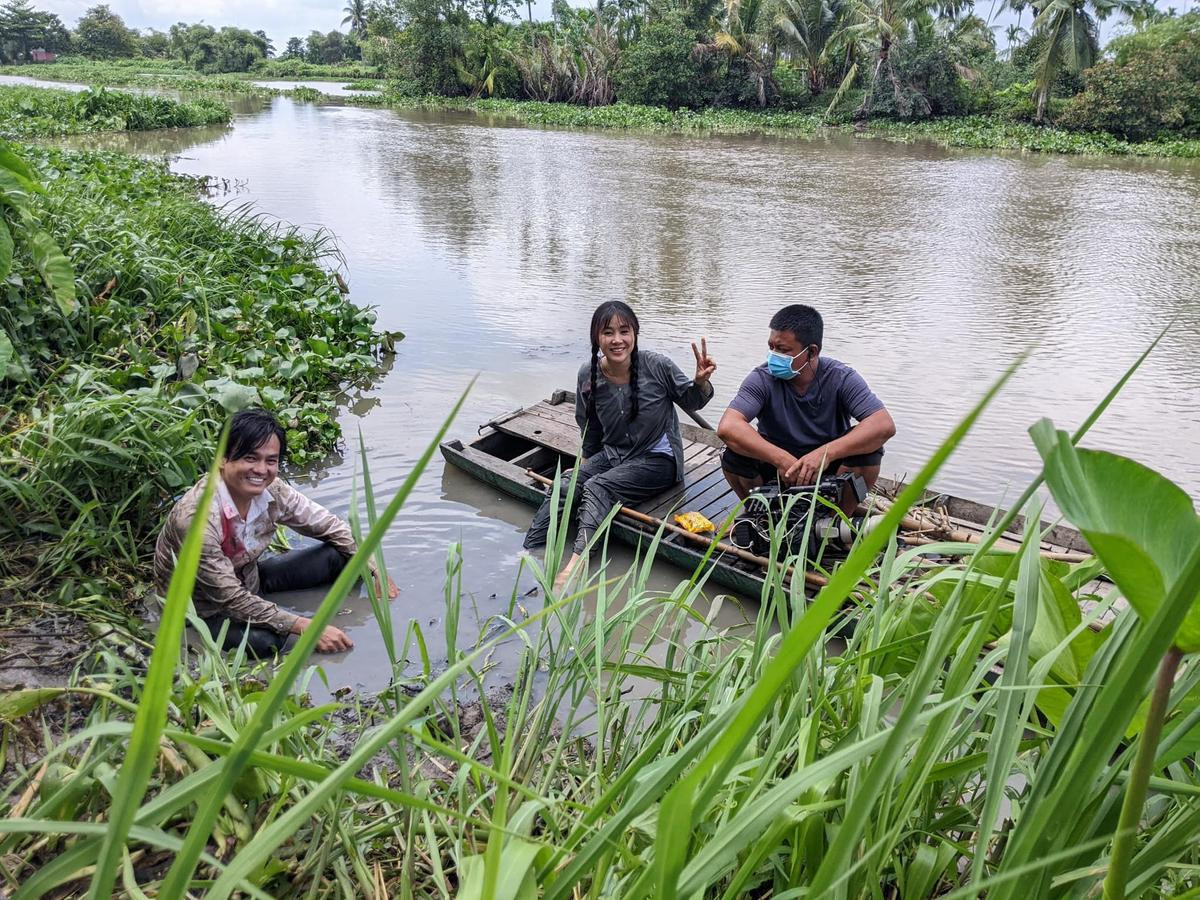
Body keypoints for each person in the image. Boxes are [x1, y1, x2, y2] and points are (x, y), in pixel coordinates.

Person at [153, 407, 399, 658]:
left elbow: (330, 525)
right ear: (223, 460)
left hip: (250, 580)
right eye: (250, 458)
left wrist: (375, 568)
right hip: (205, 610)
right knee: (273, 643)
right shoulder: (197, 521)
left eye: (271, 461)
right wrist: (307, 626)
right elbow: (230, 599)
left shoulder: (273, 490)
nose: (261, 470)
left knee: (344, 557)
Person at [524, 301, 716, 588]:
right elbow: (588, 425)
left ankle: (577, 562)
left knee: (597, 488)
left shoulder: (657, 365)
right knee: (566, 484)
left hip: (659, 458)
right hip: (615, 454)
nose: (617, 340)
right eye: (608, 332)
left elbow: (693, 401)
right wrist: (586, 466)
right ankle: (528, 550)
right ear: (596, 338)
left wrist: (700, 382)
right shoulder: (588, 374)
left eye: (624, 331)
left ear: (635, 334)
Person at [717, 304, 896, 514]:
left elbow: (883, 425)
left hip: (829, 470)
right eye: (771, 347)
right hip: (776, 469)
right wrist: (781, 459)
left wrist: (824, 454)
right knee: (734, 456)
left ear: (811, 351)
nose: (773, 356)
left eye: (783, 350)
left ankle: (834, 520)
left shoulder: (841, 378)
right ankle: (761, 516)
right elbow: (728, 427)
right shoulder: (761, 379)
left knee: (870, 451)